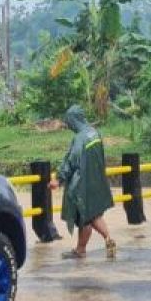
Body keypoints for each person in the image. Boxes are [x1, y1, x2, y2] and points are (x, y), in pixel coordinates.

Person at [52, 105, 116, 259]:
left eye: (69, 121)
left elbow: (72, 161)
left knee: (87, 216)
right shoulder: (95, 133)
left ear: (74, 120)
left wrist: (59, 179)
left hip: (83, 183)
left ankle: (104, 239)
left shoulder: (80, 138)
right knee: (88, 216)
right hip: (97, 180)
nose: (68, 125)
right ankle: (83, 248)